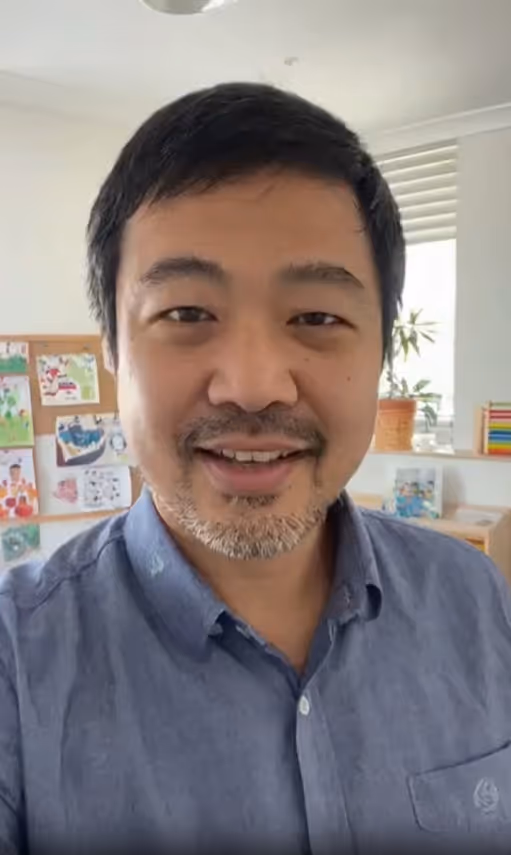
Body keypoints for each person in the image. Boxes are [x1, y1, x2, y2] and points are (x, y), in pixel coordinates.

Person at [1, 83, 510, 855]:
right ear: (111, 349)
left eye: (316, 316)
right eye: (185, 313)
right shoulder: (17, 662)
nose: (252, 385)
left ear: (380, 348)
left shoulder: (475, 601)